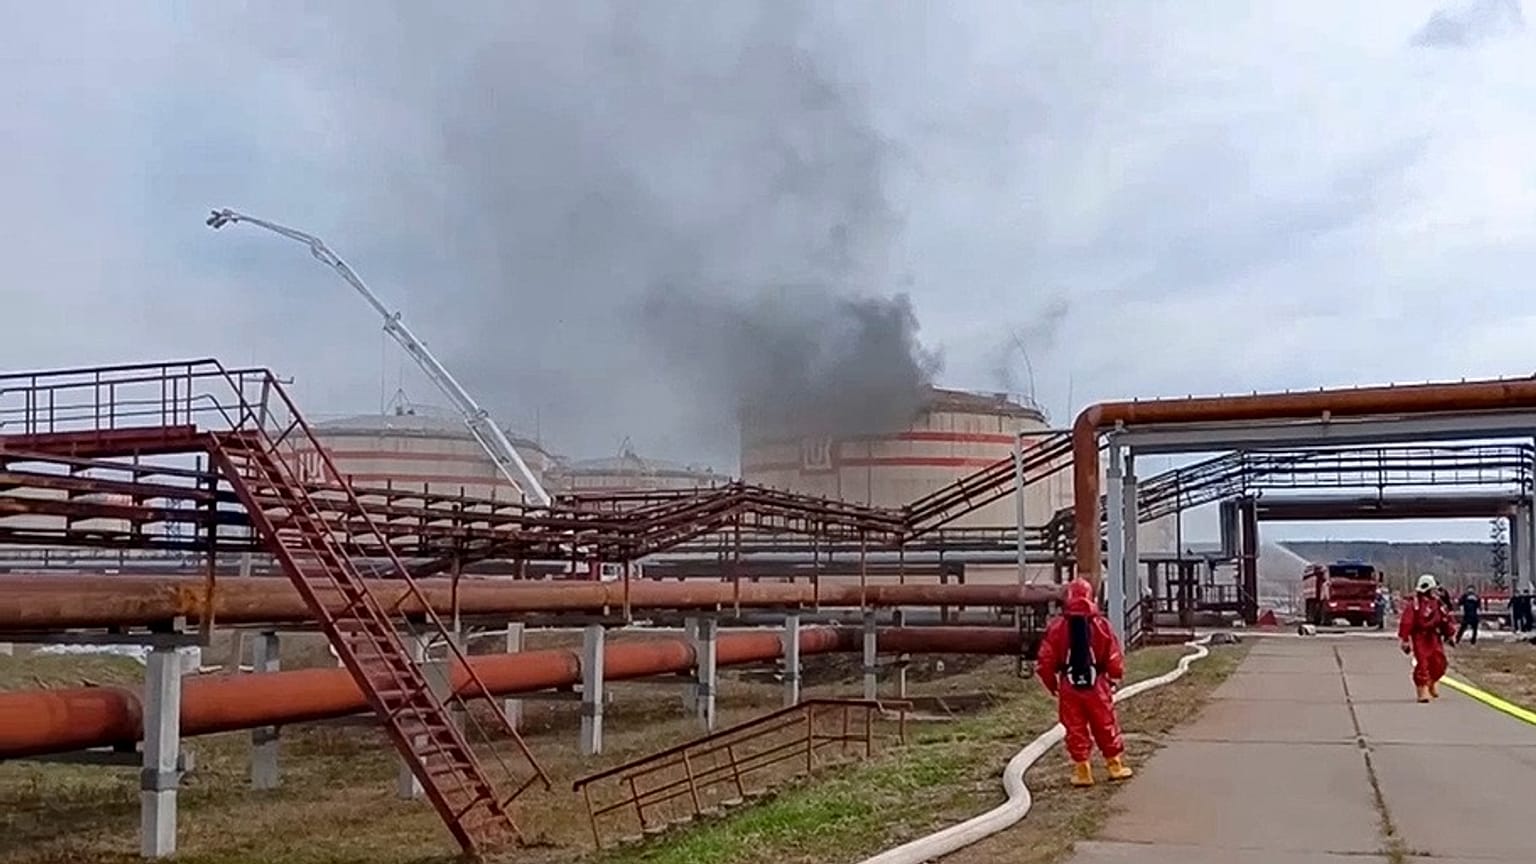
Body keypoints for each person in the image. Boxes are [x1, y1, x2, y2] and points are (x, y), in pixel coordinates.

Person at [1035, 577, 1132, 787]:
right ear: (1091, 597)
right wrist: (1114, 677)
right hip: (1097, 683)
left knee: (1074, 727)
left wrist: (1052, 685)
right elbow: (1114, 655)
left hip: (1069, 685)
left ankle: (1082, 770)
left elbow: (1045, 661)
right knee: (1105, 723)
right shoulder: (1101, 625)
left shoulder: (1057, 627)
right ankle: (1114, 765)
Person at [1399, 574, 1456, 703]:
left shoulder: (1438, 603)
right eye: (1432, 589)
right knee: (1423, 663)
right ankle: (1422, 689)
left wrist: (1449, 634)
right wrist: (1405, 639)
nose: (1435, 592)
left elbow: (1445, 619)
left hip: (1434, 636)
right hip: (1420, 637)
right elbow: (1407, 622)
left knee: (1439, 662)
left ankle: (1432, 681)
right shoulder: (1415, 605)